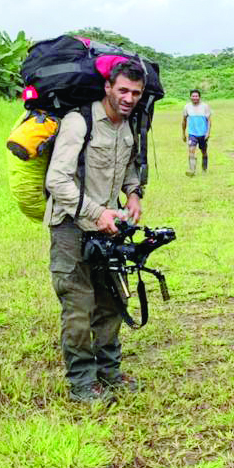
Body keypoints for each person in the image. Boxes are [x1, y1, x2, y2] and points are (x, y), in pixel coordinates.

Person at [44, 59, 147, 404]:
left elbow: (129, 167)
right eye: (123, 90)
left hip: (108, 229)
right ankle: (82, 383)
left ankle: (109, 371)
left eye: (135, 92)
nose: (129, 98)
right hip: (71, 228)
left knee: (110, 303)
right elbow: (56, 180)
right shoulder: (79, 122)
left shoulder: (128, 127)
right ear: (107, 87)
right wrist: (96, 211)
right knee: (78, 306)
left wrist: (133, 193)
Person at [182, 89, 212, 175]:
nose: (195, 98)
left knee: (204, 151)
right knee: (191, 150)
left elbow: (209, 121)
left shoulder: (205, 106)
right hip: (192, 133)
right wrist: (183, 133)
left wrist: (208, 132)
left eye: (196, 96)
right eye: (193, 96)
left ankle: (204, 168)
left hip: (203, 134)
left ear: (199, 97)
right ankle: (192, 170)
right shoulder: (187, 107)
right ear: (190, 97)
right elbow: (184, 121)